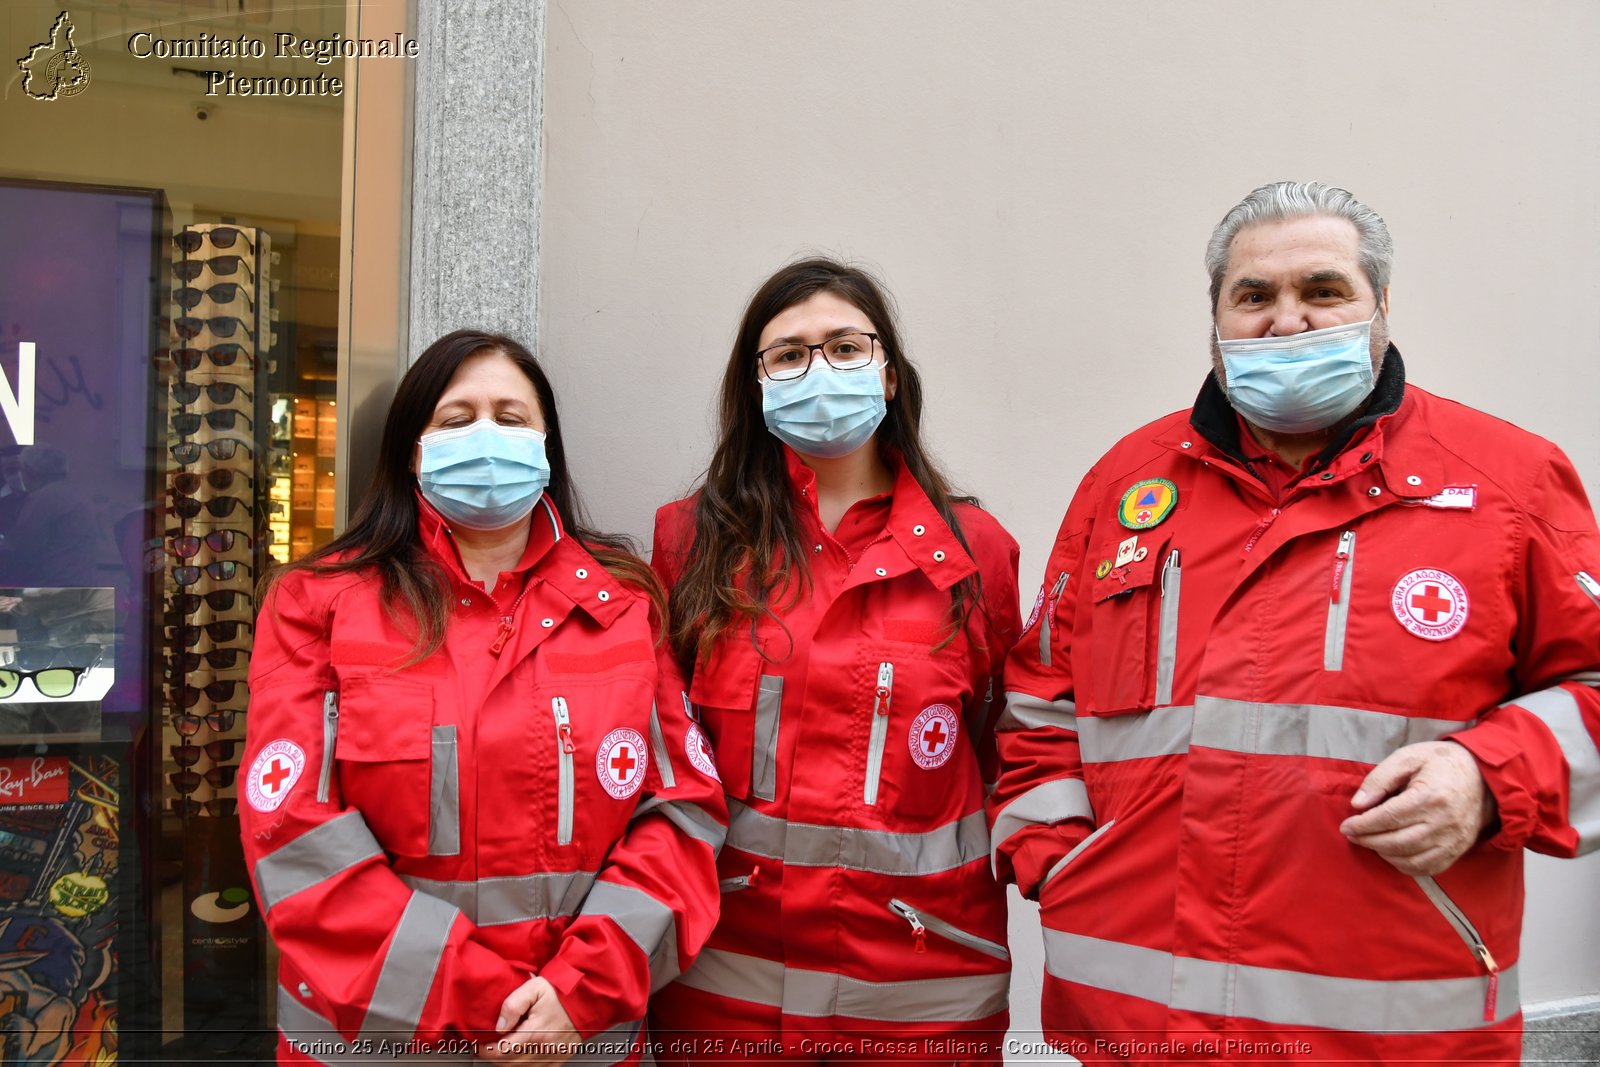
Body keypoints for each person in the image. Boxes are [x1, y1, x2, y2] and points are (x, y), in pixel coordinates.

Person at [989, 181, 1600, 1063]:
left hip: (1390, 1039)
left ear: (1380, 305)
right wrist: (1059, 857)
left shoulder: (1510, 481)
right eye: (1255, 296)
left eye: (1323, 291)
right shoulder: (1125, 484)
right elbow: (1039, 698)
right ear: (1216, 318)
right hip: (1129, 1027)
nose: (1287, 322)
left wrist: (1487, 774)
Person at [239, 330, 725, 1065]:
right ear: (413, 448)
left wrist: (583, 987)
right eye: (457, 419)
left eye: (511, 416)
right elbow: (293, 832)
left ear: (546, 444)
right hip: (376, 1039)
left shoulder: (622, 602)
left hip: (578, 1035)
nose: (487, 437)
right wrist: (478, 996)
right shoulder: (318, 602)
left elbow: (682, 811)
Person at [648, 259, 1020, 1063]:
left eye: (846, 347)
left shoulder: (975, 553)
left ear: (888, 374)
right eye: (788, 354)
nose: (818, 370)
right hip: (726, 988)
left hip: (923, 991)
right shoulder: (690, 543)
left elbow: (1003, 752)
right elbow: (663, 758)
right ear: (756, 386)